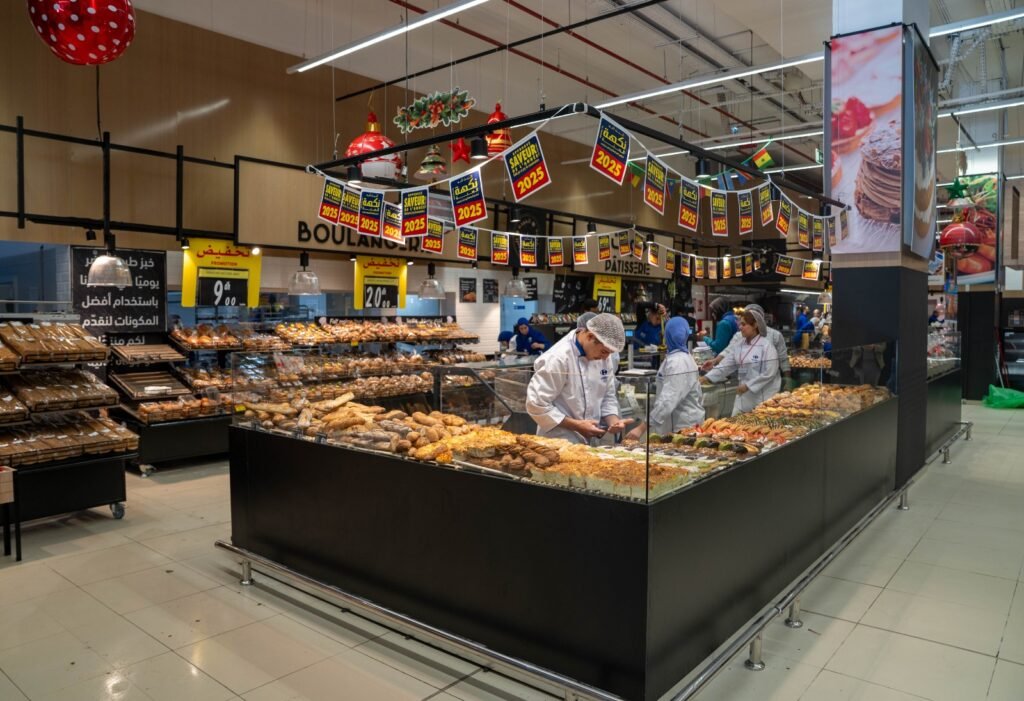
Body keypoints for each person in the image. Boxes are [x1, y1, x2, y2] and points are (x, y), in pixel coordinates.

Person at [526, 313, 628, 443]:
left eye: (610, 353)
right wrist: (577, 426)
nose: (606, 358)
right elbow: (536, 405)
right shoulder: (558, 358)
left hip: (591, 441)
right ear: (590, 336)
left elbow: (607, 395)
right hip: (559, 440)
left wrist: (613, 421)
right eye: (604, 352)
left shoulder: (602, 355)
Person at [626, 317, 704, 440]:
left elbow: (668, 399)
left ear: (667, 336)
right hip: (681, 424)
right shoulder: (681, 357)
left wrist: (641, 428)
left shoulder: (678, 361)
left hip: (682, 428)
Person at [701, 309, 781, 415]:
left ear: (755, 325)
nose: (740, 327)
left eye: (743, 324)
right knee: (735, 422)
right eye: (739, 324)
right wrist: (706, 378)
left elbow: (770, 373)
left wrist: (748, 386)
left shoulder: (767, 347)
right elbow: (726, 365)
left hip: (762, 397)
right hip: (743, 397)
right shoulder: (739, 345)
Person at [706, 303, 791, 388]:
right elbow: (729, 351)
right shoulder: (740, 336)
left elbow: (783, 359)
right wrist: (715, 361)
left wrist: (787, 379)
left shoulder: (775, 335)